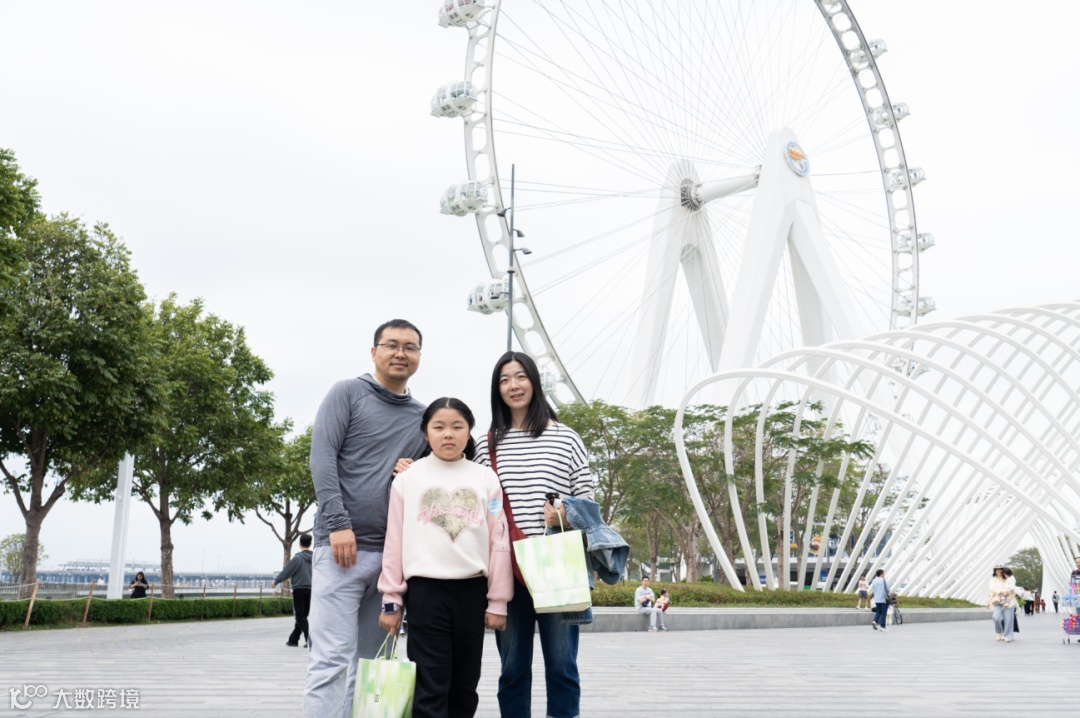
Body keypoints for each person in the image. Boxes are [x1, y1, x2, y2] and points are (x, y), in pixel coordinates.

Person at [304, 319, 429, 718]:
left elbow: (445, 468)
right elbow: (322, 459)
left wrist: (417, 468)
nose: (400, 353)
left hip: (391, 561)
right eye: (391, 345)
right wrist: (338, 524)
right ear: (373, 352)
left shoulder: (424, 418)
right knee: (330, 662)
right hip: (340, 550)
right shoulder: (347, 393)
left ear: (419, 357)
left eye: (410, 347)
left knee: (373, 665)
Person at [475, 351, 595, 718]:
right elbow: (476, 504)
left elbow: (588, 500)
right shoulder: (487, 444)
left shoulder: (566, 437)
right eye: (504, 380)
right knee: (512, 669)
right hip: (507, 570)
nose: (513, 386)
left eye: (520, 377)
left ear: (534, 381)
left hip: (557, 564)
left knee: (562, 666)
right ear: (496, 389)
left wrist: (565, 514)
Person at [378, 397, 513, 718]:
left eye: (457, 426)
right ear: (426, 432)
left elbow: (499, 540)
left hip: (472, 592)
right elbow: (394, 540)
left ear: (470, 432)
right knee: (430, 685)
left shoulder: (486, 478)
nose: (448, 434)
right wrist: (391, 599)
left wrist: (498, 601)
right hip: (425, 594)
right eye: (438, 427)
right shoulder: (407, 479)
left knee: (465, 685)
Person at [273, 533, 313, 648]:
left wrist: (276, 581)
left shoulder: (297, 558)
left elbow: (287, 572)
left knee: (300, 616)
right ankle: (293, 639)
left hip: (299, 589)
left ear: (299, 544)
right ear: (310, 544)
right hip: (311, 590)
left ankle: (310, 640)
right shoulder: (315, 558)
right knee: (303, 616)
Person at [988, 565, 1018, 643]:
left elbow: (1013, 587)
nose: (999, 571)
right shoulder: (993, 580)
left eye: (1000, 569)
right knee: (996, 617)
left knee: (1008, 619)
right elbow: (992, 589)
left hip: (1009, 600)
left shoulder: (1007, 577)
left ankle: (1008, 636)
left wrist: (1007, 592)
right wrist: (1000, 592)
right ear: (994, 571)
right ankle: (999, 632)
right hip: (998, 600)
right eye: (997, 569)